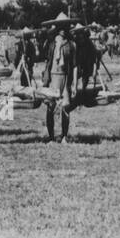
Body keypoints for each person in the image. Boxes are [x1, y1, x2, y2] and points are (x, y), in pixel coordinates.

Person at [41, 12, 77, 143]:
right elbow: (47, 61)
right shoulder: (51, 43)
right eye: (60, 26)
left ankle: (64, 136)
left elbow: (74, 65)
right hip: (52, 77)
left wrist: (73, 84)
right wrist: (46, 80)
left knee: (65, 107)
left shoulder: (71, 45)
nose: (62, 29)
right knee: (50, 107)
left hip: (65, 77)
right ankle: (51, 137)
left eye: (65, 26)